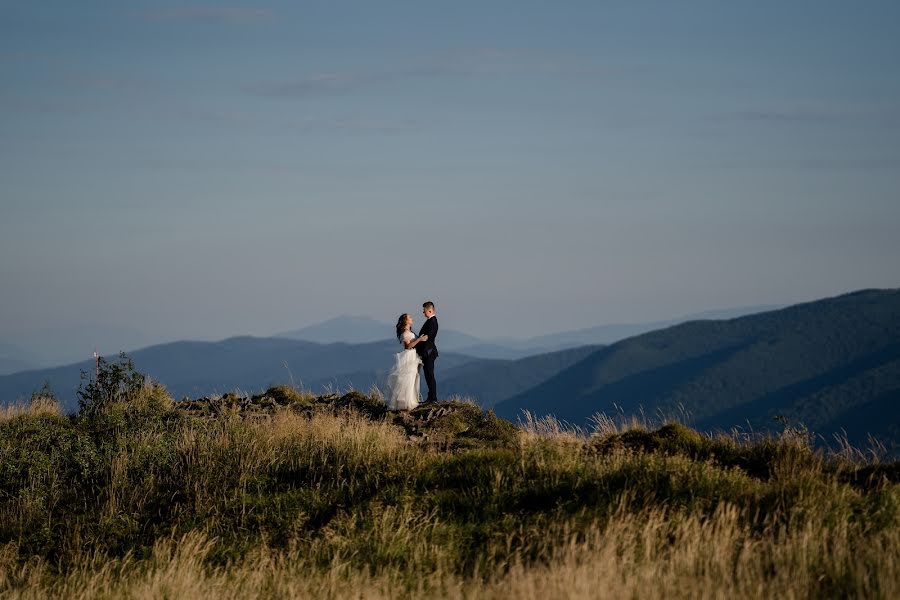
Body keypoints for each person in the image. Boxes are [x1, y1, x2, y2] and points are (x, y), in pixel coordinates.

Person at [385, 313, 428, 411]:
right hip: (409, 356)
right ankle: (406, 402)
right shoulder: (405, 333)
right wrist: (420, 339)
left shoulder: (408, 331)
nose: (412, 319)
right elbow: (408, 346)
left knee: (411, 378)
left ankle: (409, 401)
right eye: (410, 318)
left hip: (412, 356)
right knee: (407, 379)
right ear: (406, 321)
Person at [416, 301, 439, 403]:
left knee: (430, 375)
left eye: (424, 311)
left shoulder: (433, 322)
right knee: (428, 375)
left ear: (430, 311)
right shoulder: (430, 320)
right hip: (426, 353)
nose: (423, 312)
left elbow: (427, 337)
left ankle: (433, 398)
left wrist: (417, 340)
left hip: (429, 352)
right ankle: (430, 397)